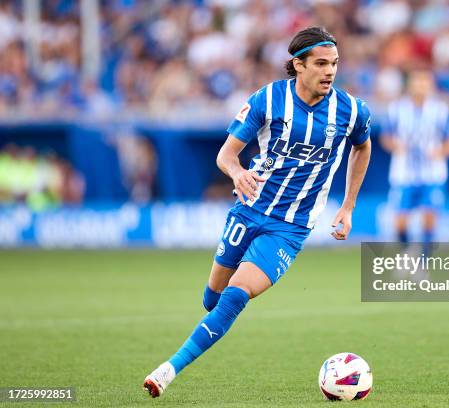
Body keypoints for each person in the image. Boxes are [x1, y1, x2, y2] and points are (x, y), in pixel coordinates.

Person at [143, 26, 371, 398]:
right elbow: (226, 154)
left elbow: (362, 147)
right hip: (247, 211)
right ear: (298, 65)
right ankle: (210, 325)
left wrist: (348, 206)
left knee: (235, 296)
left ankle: (169, 369)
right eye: (321, 64)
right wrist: (237, 173)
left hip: (290, 227)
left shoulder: (351, 110)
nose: (329, 71)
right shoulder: (267, 100)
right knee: (212, 300)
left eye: (334, 64)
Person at [380, 69, 449, 257]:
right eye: (417, 82)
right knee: (399, 222)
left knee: (430, 218)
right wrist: (396, 146)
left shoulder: (440, 111)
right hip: (403, 174)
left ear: (430, 86)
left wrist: (439, 151)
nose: (421, 87)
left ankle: (423, 264)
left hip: (432, 173)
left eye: (424, 82)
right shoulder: (396, 110)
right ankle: (409, 253)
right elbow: (385, 138)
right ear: (410, 85)